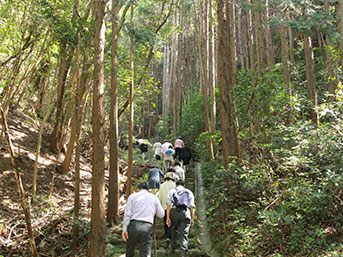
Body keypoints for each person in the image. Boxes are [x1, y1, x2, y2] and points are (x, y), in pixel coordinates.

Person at [122, 182, 164, 257]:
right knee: (145, 253)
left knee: (129, 251)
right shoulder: (154, 198)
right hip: (147, 227)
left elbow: (127, 214)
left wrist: (124, 229)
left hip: (133, 226)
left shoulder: (132, 196)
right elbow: (161, 214)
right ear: (148, 190)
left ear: (138, 189)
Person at [166, 179, 195, 257]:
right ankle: (183, 253)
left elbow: (168, 205)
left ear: (176, 185)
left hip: (174, 212)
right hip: (185, 213)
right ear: (184, 185)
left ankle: (173, 247)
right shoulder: (189, 192)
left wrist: (168, 218)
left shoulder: (171, 191)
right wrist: (192, 218)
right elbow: (192, 207)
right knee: (184, 233)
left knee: (174, 229)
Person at [157, 169, 177, 242]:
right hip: (173, 207)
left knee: (166, 221)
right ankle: (173, 236)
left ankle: (167, 236)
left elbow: (159, 197)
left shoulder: (162, 186)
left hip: (164, 207)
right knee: (173, 222)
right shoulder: (174, 185)